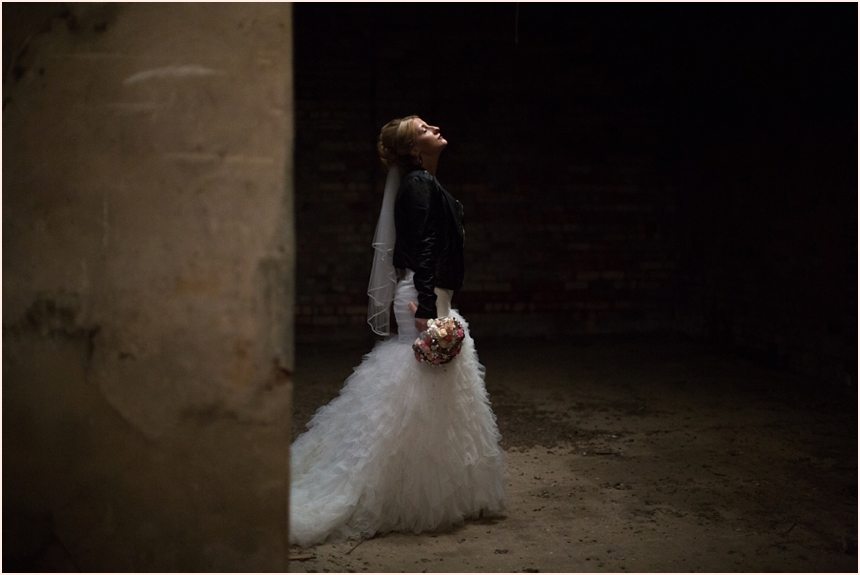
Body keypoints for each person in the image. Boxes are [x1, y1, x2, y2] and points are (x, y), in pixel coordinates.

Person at [289, 116, 506, 547]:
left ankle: (437, 486)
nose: (435, 127)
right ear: (412, 148)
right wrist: (426, 306)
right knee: (418, 383)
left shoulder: (424, 181)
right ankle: (379, 488)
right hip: (422, 296)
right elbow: (424, 245)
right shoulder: (419, 184)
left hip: (432, 293)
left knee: (435, 390)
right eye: (424, 127)